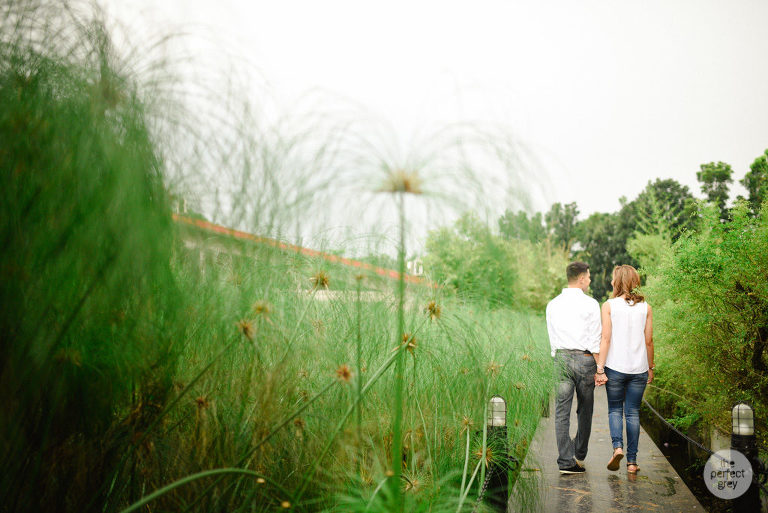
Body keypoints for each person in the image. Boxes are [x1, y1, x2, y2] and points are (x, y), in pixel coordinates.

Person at [595, 265, 655, 475]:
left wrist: (600, 369)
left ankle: (617, 447)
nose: (611, 281)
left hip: (615, 368)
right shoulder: (646, 307)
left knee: (614, 409)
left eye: (613, 279)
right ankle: (631, 462)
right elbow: (648, 341)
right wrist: (650, 367)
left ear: (618, 281)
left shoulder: (609, 305)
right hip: (638, 368)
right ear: (634, 281)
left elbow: (606, 338)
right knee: (633, 413)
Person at [546, 261, 602, 474]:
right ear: (581, 278)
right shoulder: (591, 304)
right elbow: (596, 338)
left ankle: (564, 461)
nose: (589, 280)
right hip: (585, 359)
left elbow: (552, 336)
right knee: (585, 410)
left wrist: (557, 356)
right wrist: (600, 368)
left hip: (560, 359)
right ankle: (578, 455)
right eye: (588, 277)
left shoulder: (552, 304)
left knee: (562, 411)